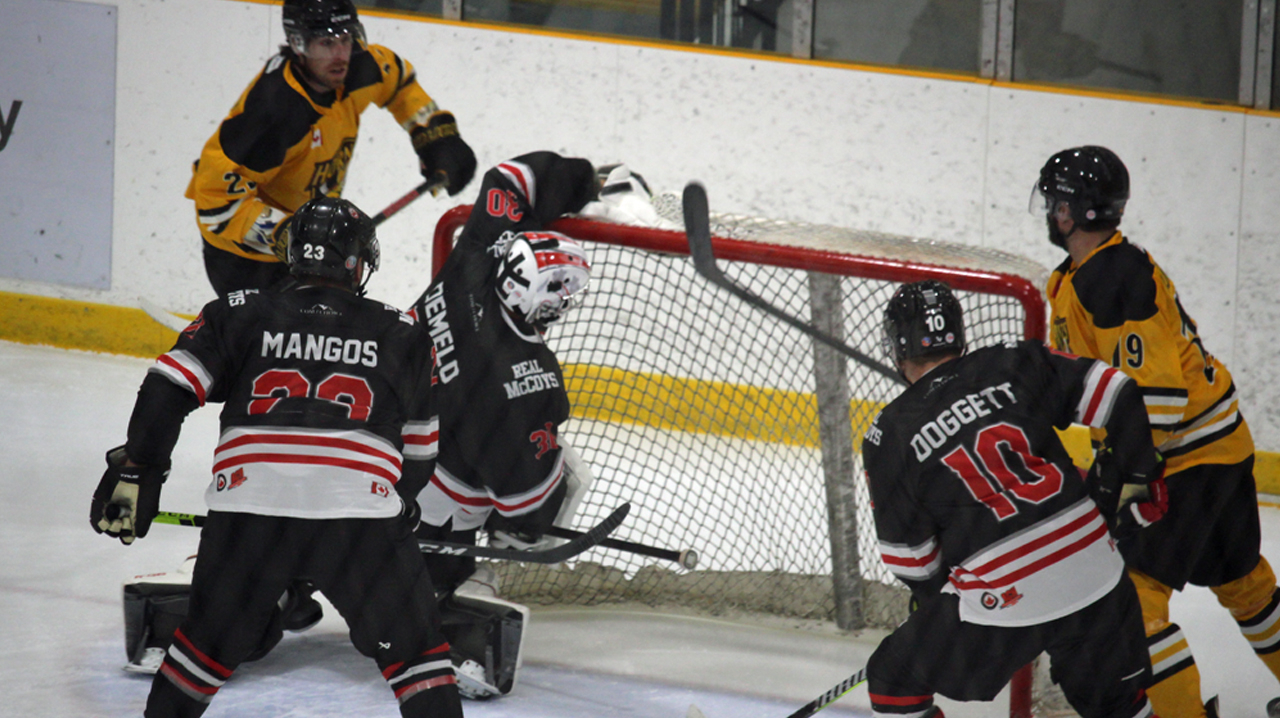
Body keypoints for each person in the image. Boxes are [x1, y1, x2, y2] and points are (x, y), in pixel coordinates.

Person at [89, 197, 463, 718]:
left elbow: (166, 388)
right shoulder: (403, 333)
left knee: (200, 656)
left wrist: (140, 466)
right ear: (357, 263)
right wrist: (395, 506)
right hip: (360, 521)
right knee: (419, 663)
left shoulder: (237, 311)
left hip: (248, 513)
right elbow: (420, 456)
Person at [1034, 145, 1280, 718]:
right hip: (1218, 445)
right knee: (1243, 580)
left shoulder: (1111, 278)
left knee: (1133, 602)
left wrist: (1122, 472)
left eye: (1056, 202)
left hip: (1182, 461)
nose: (1051, 212)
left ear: (1076, 212)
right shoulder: (1084, 275)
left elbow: (1158, 399)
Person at [861, 280, 1167, 718]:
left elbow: (913, 563)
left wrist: (933, 602)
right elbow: (1116, 389)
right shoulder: (1013, 360)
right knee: (1118, 705)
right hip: (1095, 564)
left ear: (896, 348)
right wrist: (1134, 480)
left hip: (1000, 601)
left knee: (894, 682)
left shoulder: (887, 433)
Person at [400, 151, 599, 698]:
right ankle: (468, 582)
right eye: (565, 291)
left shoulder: (473, 266)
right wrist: (533, 519)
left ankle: (276, 576)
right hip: (423, 514)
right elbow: (528, 513)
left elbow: (510, 178)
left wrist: (584, 179)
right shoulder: (528, 380)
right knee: (559, 479)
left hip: (361, 457)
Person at [186, 0, 476, 297]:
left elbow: (397, 81)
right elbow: (215, 204)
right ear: (298, 43)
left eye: (345, 39)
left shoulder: (358, 68)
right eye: (326, 43)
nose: (340, 55)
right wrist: (290, 233)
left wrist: (434, 135)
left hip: (318, 243)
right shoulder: (275, 113)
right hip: (248, 261)